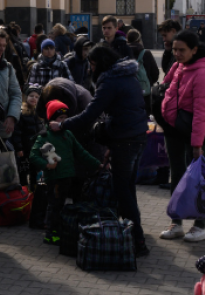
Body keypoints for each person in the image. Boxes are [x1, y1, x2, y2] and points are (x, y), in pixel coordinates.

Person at [53, 44, 150, 257]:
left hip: (125, 140)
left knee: (123, 191)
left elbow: (90, 114)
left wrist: (62, 125)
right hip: (137, 137)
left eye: (93, 64)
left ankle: (138, 240)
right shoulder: (127, 75)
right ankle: (133, 234)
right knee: (129, 188)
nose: (90, 69)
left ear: (101, 64)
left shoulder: (110, 80)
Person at [160, 30, 205, 243]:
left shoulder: (202, 73)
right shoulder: (179, 66)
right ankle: (176, 223)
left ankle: (199, 227)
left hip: (195, 132)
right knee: (177, 176)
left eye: (181, 50)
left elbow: (202, 112)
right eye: (174, 49)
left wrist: (197, 144)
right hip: (175, 128)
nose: (176, 53)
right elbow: (168, 88)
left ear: (195, 50)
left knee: (197, 181)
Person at [30, 101, 101, 242]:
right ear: (51, 119)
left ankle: (58, 229)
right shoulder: (45, 136)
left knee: (61, 205)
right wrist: (47, 165)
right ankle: (51, 234)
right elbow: (33, 156)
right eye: (59, 118)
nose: (63, 121)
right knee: (54, 206)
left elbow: (81, 152)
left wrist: (98, 165)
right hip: (54, 179)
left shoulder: (68, 134)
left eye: (65, 118)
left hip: (67, 177)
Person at [17, 86, 45, 188]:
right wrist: (19, 148)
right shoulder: (22, 113)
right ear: (26, 97)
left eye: (37, 97)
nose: (34, 98)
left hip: (36, 148)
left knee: (35, 169)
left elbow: (42, 130)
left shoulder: (40, 114)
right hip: (25, 148)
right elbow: (17, 133)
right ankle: (24, 189)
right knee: (23, 170)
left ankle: (34, 188)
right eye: (31, 96)